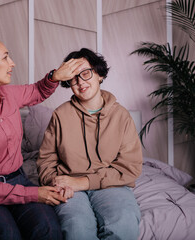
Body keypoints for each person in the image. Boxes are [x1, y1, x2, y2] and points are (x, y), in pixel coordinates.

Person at [0, 34, 86, 240]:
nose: (12, 63)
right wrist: (34, 194)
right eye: (5, 57)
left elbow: (38, 90)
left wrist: (56, 75)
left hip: (18, 180)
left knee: (48, 229)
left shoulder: (9, 95)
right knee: (7, 234)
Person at [37, 48, 143, 240]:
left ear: (100, 75)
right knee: (76, 228)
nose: (80, 82)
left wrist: (83, 182)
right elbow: (45, 162)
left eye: (85, 73)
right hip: (68, 187)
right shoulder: (60, 115)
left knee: (124, 224)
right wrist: (56, 182)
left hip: (111, 185)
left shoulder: (121, 116)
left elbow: (130, 167)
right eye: (73, 78)